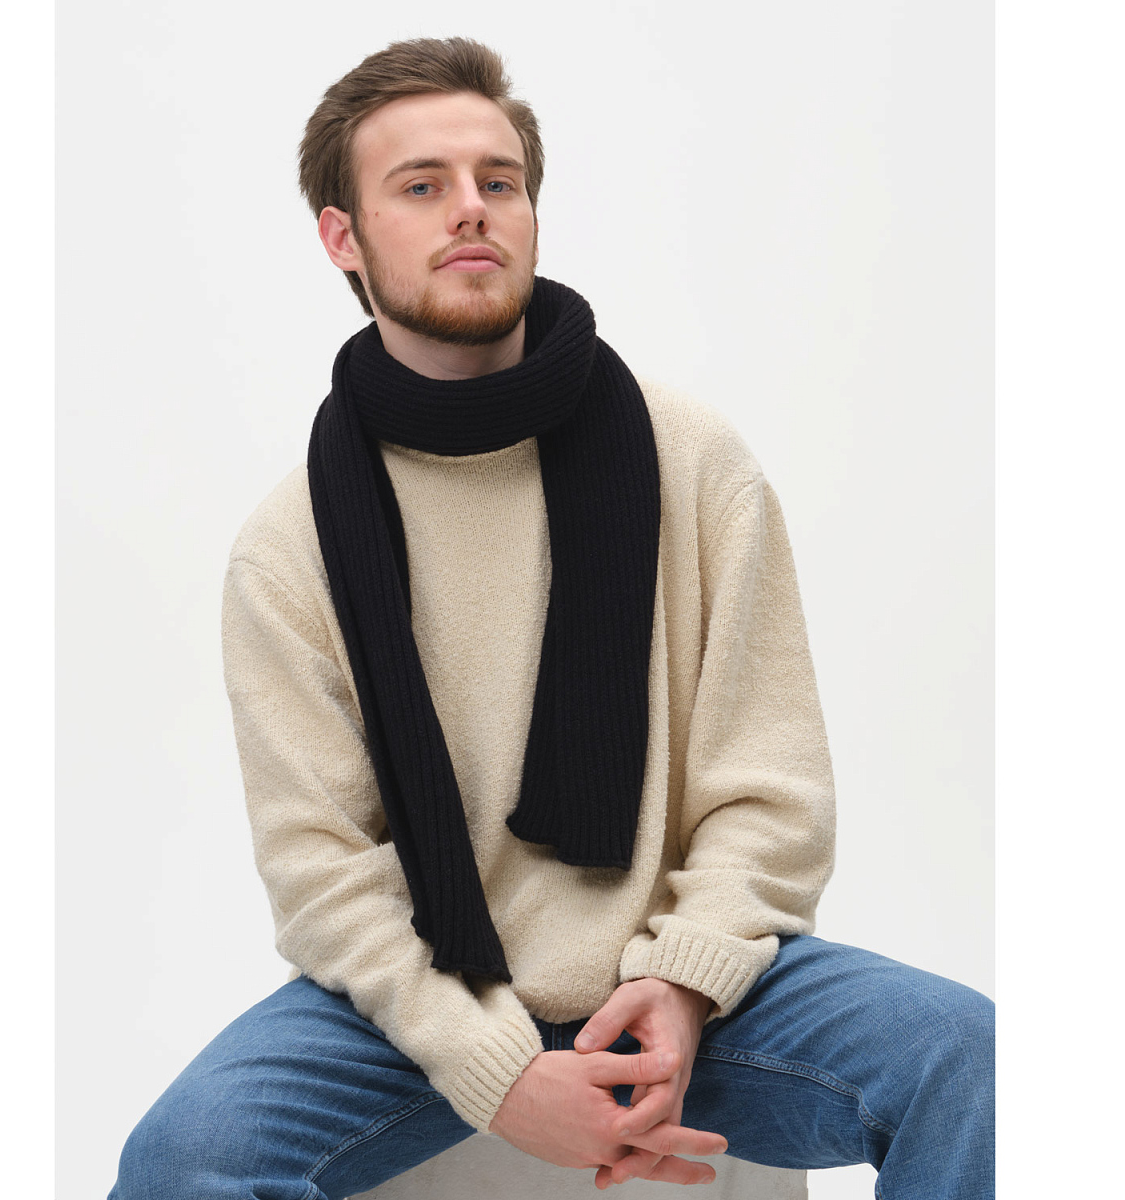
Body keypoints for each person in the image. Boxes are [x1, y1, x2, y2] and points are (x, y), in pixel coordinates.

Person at [108, 36, 993, 1199]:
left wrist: (683, 982)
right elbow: (323, 871)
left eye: (500, 180)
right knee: (180, 1162)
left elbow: (769, 788)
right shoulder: (292, 545)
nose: (472, 208)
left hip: (685, 990)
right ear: (342, 238)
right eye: (420, 185)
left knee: (977, 1062)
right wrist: (498, 1074)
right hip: (423, 1010)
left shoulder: (692, 462)